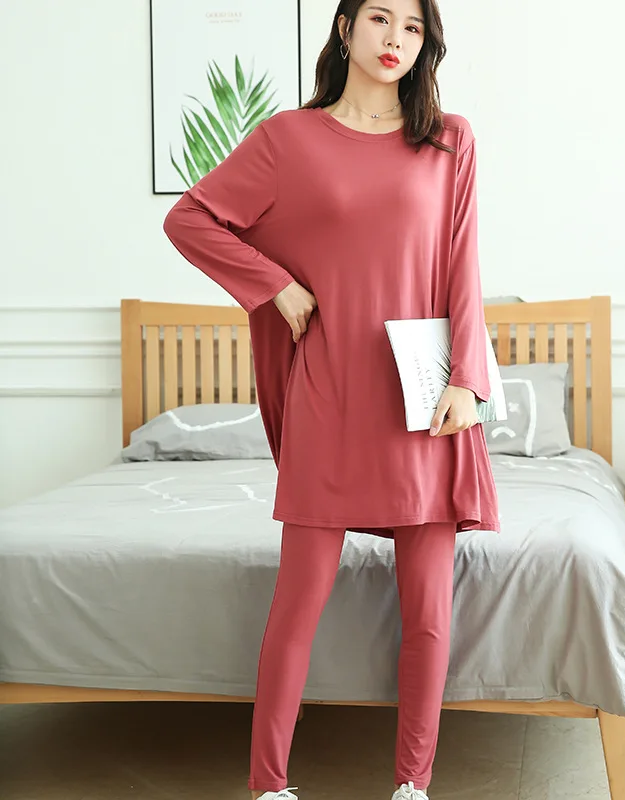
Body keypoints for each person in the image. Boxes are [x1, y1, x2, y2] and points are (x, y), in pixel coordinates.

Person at [162, 1, 499, 798]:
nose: (395, 40)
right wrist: (274, 285)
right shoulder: (288, 140)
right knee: (298, 602)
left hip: (423, 398)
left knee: (428, 612)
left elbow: (463, 267)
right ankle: (269, 785)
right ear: (345, 28)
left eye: (412, 28)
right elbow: (190, 219)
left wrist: (468, 380)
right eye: (380, 19)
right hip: (329, 391)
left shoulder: (449, 140)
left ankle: (412, 785)